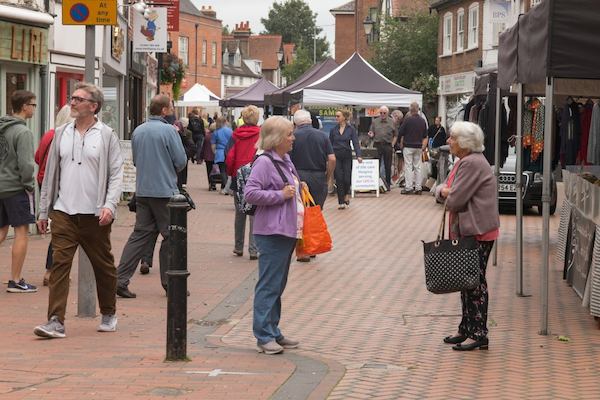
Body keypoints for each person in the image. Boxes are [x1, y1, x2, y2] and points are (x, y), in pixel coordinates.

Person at [34, 82, 124, 338]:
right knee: (60, 264)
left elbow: (116, 174)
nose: (71, 102)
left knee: (103, 266)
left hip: (95, 215)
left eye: (77, 99)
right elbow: (50, 173)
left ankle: (108, 312)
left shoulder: (106, 135)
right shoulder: (61, 133)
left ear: (93, 106)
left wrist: (109, 205)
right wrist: (44, 211)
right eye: (71, 98)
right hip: (63, 212)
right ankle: (55, 321)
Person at [435, 121, 500, 351]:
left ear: (464, 142)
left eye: (452, 137)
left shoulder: (471, 163)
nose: (448, 141)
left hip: (477, 231)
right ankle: (466, 328)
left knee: (474, 283)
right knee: (467, 281)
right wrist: (443, 191)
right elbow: (443, 188)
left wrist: (444, 192)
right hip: (472, 230)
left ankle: (479, 333)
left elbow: (454, 198)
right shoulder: (465, 161)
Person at [115, 95, 187, 299]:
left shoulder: (138, 130)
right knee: (172, 236)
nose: (172, 109)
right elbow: (180, 160)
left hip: (144, 190)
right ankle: (171, 282)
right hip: (164, 191)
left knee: (140, 235)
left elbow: (136, 160)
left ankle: (120, 279)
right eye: (171, 106)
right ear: (164, 110)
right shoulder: (168, 131)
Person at [244, 116, 302, 355]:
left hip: (286, 230)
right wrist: (280, 195)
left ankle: (272, 329)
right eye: (289, 134)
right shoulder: (264, 163)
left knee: (278, 284)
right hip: (271, 231)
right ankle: (263, 335)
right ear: (276, 138)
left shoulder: (285, 160)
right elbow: (251, 193)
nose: (293, 138)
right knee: (269, 284)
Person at [0, 89, 37, 293]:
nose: (34, 108)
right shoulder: (23, 132)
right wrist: (29, 185)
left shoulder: (1, 127)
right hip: (15, 188)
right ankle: (15, 280)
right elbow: (26, 165)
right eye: (33, 104)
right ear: (24, 107)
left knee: (1, 230)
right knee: (22, 232)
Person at [35, 104, 73, 286]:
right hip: (60, 185)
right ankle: (52, 271)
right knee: (62, 230)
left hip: (44, 182)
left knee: (59, 229)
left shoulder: (49, 134)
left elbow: (37, 157)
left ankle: (53, 270)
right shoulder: (65, 136)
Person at [226, 105, 261, 260]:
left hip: (238, 176)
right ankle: (253, 249)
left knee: (240, 213)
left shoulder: (235, 135)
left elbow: (229, 156)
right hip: (256, 176)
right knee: (255, 214)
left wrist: (231, 173)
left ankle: (238, 246)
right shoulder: (261, 135)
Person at [290, 109, 335, 209]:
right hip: (318, 177)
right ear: (310, 121)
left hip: (298, 176)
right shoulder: (323, 136)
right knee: (316, 211)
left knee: (299, 210)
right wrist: (327, 177)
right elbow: (332, 159)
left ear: (295, 123)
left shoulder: (292, 137)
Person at [329, 109, 362, 209]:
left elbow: (355, 142)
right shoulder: (333, 130)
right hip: (336, 156)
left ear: (344, 117)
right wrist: (328, 156)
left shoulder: (350, 129)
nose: (336, 118)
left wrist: (358, 155)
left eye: (338, 116)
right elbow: (329, 144)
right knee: (339, 178)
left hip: (347, 155)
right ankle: (341, 202)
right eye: (336, 116)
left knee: (347, 177)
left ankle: (347, 193)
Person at [398, 102, 428, 195]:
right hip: (418, 146)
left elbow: (401, 132)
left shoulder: (407, 120)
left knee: (408, 166)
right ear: (418, 109)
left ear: (410, 110)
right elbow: (425, 135)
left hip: (408, 146)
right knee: (417, 167)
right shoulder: (422, 121)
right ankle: (418, 187)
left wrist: (400, 142)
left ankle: (408, 187)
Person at [368, 106, 395, 190]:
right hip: (377, 144)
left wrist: (392, 145)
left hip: (387, 145)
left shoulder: (392, 122)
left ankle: (387, 184)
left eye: (384, 113)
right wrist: (371, 134)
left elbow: (396, 134)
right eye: (381, 113)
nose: (382, 114)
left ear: (387, 113)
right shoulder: (375, 122)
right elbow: (371, 132)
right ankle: (376, 183)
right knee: (376, 164)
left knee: (388, 165)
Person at [211, 117, 233, 194]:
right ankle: (227, 186)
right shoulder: (230, 131)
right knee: (228, 171)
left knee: (222, 171)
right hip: (230, 152)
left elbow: (213, 145)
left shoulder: (216, 132)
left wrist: (215, 152)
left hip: (220, 152)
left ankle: (226, 188)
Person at [175, 117, 195, 189]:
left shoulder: (177, 133)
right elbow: (191, 145)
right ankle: (183, 182)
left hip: (181, 152)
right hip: (184, 152)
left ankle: (181, 183)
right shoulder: (188, 132)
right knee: (184, 168)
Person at [198, 122, 217, 191]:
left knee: (209, 171)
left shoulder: (207, 136)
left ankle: (211, 184)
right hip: (216, 156)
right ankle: (218, 183)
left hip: (208, 156)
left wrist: (201, 156)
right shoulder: (217, 135)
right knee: (216, 170)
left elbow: (203, 147)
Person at [390, 110, 405, 186]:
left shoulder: (398, 125)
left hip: (396, 145)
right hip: (392, 145)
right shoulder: (391, 123)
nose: (398, 121)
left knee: (399, 160)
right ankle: (394, 177)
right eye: (398, 118)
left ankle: (397, 176)